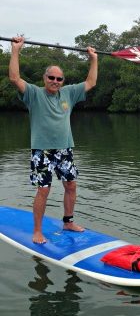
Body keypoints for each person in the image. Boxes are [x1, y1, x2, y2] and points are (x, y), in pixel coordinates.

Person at [9, 36, 98, 243]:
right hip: (42, 151)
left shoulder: (69, 93)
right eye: (51, 78)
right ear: (44, 78)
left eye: (59, 79)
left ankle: (68, 221)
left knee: (71, 186)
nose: (55, 82)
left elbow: (91, 82)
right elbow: (15, 78)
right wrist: (15, 50)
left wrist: (93, 59)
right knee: (44, 190)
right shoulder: (34, 94)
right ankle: (37, 231)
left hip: (65, 149)